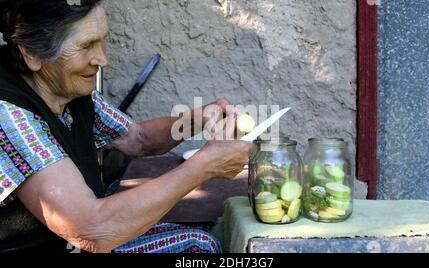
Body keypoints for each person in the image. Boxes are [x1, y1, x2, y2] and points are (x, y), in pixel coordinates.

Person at [0, 0, 253, 253]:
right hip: (81, 239)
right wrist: (202, 167)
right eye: (87, 45)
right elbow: (92, 230)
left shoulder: (66, 90)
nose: (102, 59)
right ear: (32, 54)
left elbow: (138, 139)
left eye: (102, 41)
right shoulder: (8, 116)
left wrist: (194, 121)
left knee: (201, 243)